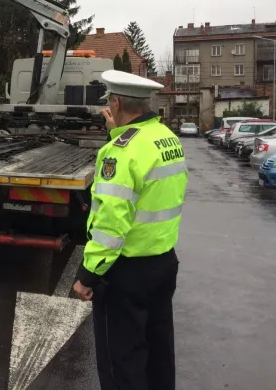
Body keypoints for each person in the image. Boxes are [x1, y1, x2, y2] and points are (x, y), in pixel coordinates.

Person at [73, 70, 188, 390]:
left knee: (121, 362)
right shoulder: (166, 137)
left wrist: (88, 275)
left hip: (127, 272)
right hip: (163, 262)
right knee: (158, 352)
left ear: (117, 102)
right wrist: (117, 133)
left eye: (110, 100)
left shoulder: (120, 152)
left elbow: (112, 222)